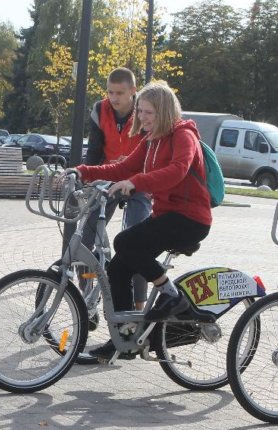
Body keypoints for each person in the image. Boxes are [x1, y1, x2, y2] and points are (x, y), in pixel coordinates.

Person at [72, 80, 211, 360]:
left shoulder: (184, 136)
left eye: (149, 112)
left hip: (190, 219)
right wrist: (83, 171)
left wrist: (135, 183)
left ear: (164, 111)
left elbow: (178, 170)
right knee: (118, 269)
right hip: (167, 216)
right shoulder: (151, 141)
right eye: (140, 111)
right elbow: (123, 167)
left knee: (125, 242)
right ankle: (125, 340)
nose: (142, 117)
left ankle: (172, 296)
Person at [70, 67, 151, 311]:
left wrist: (134, 168)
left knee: (137, 241)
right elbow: (94, 151)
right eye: (110, 92)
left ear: (133, 91)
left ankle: (138, 308)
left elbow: (153, 152)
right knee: (84, 239)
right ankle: (87, 301)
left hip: (138, 181)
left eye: (120, 93)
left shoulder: (145, 111)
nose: (114, 98)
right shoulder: (100, 110)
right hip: (109, 178)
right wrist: (88, 179)